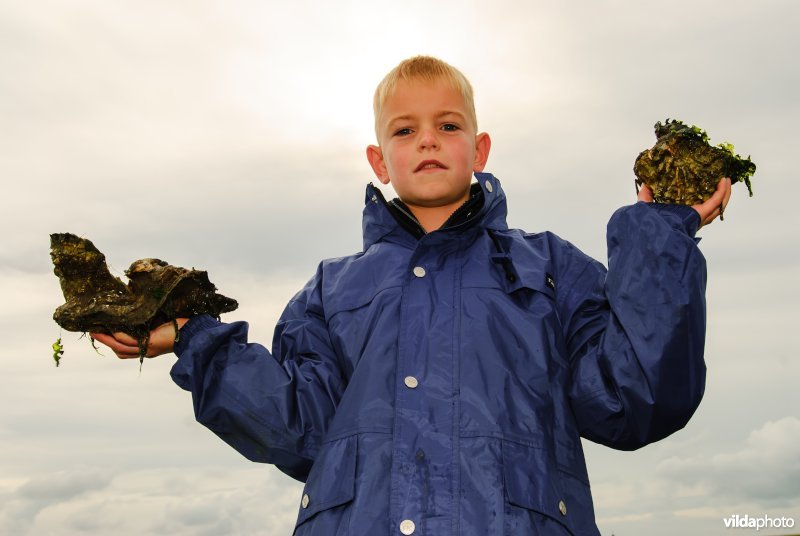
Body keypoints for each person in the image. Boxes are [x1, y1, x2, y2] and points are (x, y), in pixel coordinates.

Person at [93, 56, 731, 535]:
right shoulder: (330, 287)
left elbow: (634, 397)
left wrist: (661, 237)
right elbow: (297, 429)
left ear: (478, 149)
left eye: (447, 125)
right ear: (379, 160)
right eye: (405, 131)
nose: (427, 139)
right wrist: (193, 339)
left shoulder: (551, 266)